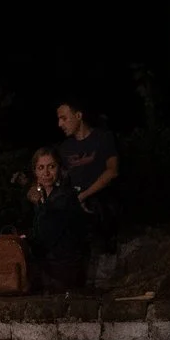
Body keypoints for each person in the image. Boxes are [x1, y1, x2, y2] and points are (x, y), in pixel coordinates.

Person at [27, 146, 91, 293]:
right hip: (47, 266)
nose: (46, 173)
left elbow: (48, 233)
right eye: (41, 168)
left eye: (51, 167)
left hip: (63, 269)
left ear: (59, 168)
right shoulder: (40, 196)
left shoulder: (65, 197)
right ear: (35, 171)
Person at [55, 100, 121, 238]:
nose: (60, 124)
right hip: (75, 205)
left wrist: (83, 196)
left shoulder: (103, 138)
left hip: (100, 203)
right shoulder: (64, 148)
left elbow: (112, 171)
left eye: (64, 118)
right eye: (59, 119)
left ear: (78, 116)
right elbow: (60, 177)